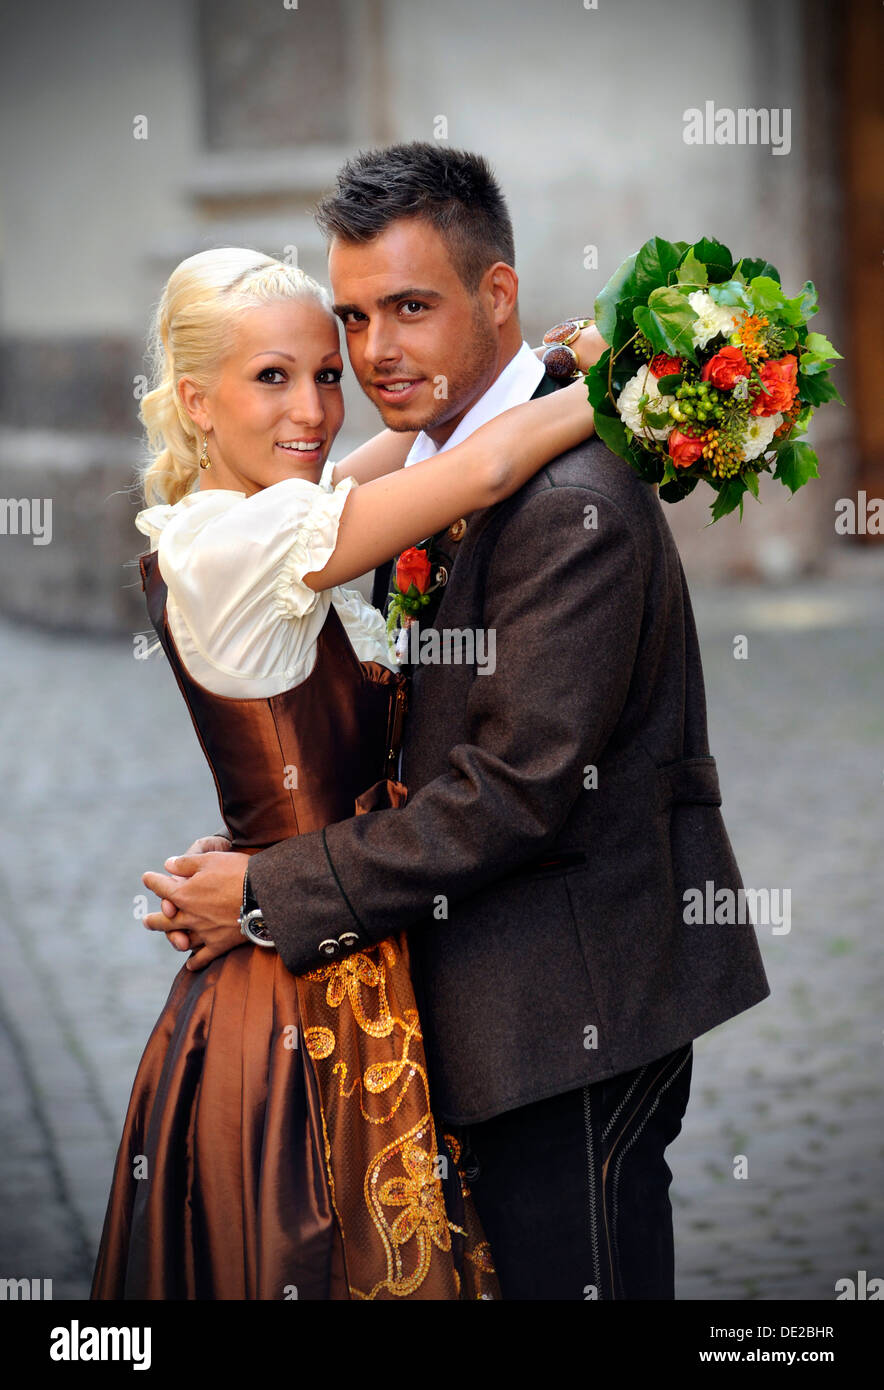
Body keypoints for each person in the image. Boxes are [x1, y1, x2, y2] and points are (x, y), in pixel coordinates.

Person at [145, 145, 772, 1301]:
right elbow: (452, 468)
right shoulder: (390, 484)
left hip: (564, 1017)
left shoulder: (568, 506)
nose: (371, 356)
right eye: (353, 318)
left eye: (409, 309)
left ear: (495, 294)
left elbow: (510, 791)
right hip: (443, 1000)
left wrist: (267, 889)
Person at [90, 243, 603, 1301]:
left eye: (325, 373)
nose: (317, 408)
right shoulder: (246, 548)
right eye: (271, 378)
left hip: (335, 926)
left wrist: (539, 369)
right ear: (195, 400)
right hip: (297, 985)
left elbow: (404, 447)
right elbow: (481, 470)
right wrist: (629, 393)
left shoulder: (247, 515)